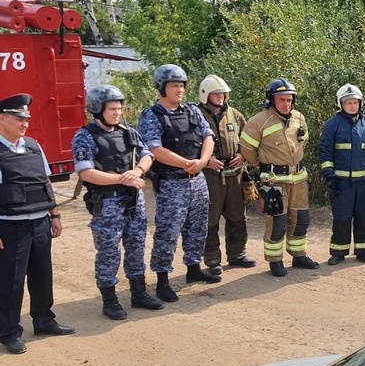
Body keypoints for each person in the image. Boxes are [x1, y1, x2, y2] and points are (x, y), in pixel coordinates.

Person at [72, 85, 163, 320]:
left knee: (136, 246)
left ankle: (138, 293)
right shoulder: (85, 135)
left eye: (120, 108)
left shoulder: (127, 131)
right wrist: (124, 179)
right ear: (97, 109)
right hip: (107, 203)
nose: (117, 113)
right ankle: (109, 300)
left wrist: (139, 171)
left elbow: (147, 154)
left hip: (133, 201)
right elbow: (85, 173)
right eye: (112, 108)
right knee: (109, 252)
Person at [138, 64, 221, 303]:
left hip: (197, 180)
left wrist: (203, 161)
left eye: (182, 85)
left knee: (198, 227)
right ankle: (162, 280)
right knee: (168, 231)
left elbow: (208, 136)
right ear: (162, 88)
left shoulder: (192, 111)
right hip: (172, 183)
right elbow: (154, 149)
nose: (180, 90)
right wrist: (187, 163)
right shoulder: (152, 115)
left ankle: (193, 268)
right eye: (174, 85)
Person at [0, 93, 74, 355]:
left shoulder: (33, 146)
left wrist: (54, 215)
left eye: (26, 118)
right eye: (18, 118)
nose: (24, 123)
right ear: (2, 118)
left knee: (42, 276)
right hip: (11, 226)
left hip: (39, 222)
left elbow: (45, 182)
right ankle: (8, 332)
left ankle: (44, 320)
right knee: (11, 282)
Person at [240, 78, 319, 277]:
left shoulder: (299, 118)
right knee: (277, 222)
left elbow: (303, 141)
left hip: (299, 180)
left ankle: (299, 255)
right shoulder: (258, 121)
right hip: (274, 182)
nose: (286, 104)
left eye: (289, 100)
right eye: (281, 99)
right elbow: (247, 149)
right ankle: (275, 261)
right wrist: (264, 167)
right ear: (271, 100)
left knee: (300, 219)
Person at [320, 84, 365, 264]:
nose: (352, 106)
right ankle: (338, 253)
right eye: (348, 103)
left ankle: (363, 252)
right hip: (341, 183)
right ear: (341, 104)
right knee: (342, 217)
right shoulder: (332, 125)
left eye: (355, 102)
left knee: (364, 217)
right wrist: (329, 174)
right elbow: (325, 151)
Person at [197, 75, 256, 274]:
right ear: (205, 95)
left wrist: (242, 155)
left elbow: (247, 139)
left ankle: (237, 255)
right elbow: (189, 144)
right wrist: (207, 160)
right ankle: (213, 260)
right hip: (209, 176)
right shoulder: (195, 116)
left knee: (237, 217)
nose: (221, 97)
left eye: (223, 93)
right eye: (216, 93)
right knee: (210, 219)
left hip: (235, 175)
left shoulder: (235, 114)